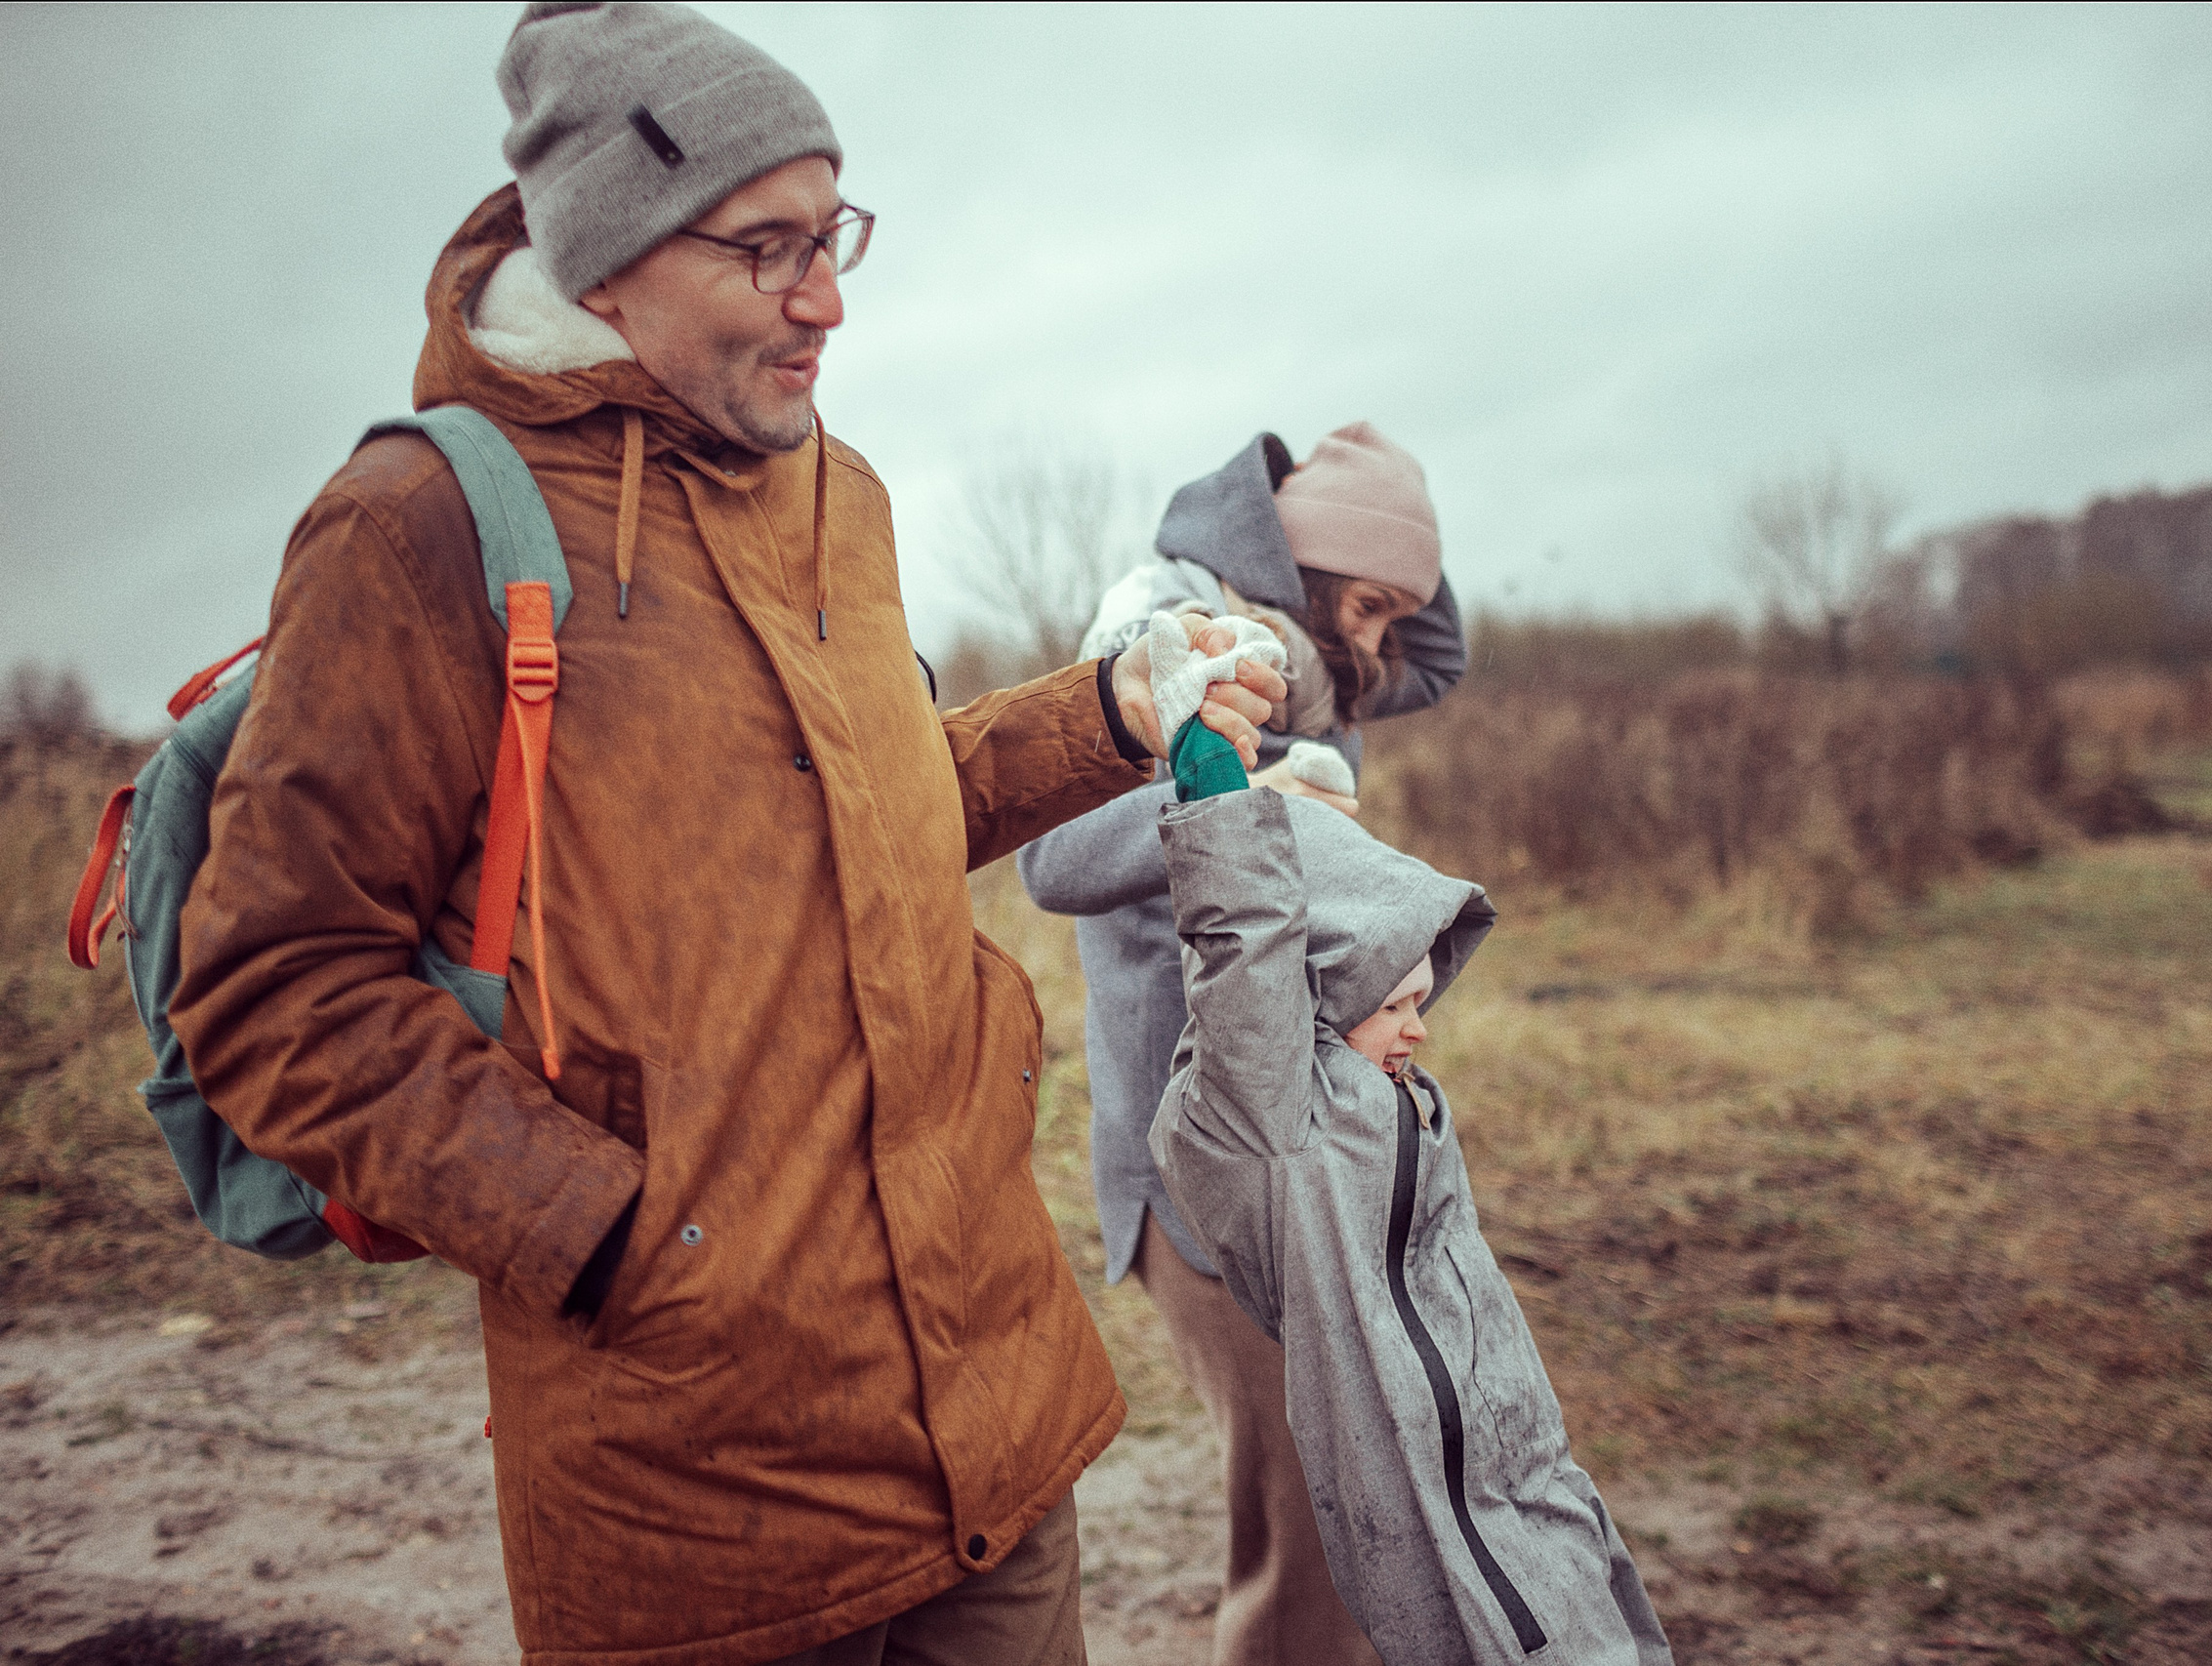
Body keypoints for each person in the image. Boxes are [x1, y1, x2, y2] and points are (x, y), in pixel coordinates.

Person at [169, 6, 1281, 1664]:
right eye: (766, 249)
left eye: (833, 237)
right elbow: (270, 981)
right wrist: (602, 1230)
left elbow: (879, 809)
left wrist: (1108, 712)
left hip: (990, 1421)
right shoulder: (412, 530)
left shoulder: (842, 495)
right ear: (608, 259)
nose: (825, 298)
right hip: (698, 1502)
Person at [1018, 424, 1465, 1665]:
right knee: (1321, 1538)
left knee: (1371, 1516)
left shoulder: (1311, 683)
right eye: (1364, 605)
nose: (1378, 642)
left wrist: (1367, 545)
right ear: (1299, 566)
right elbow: (1051, 857)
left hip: (1311, 1145)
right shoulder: (1159, 633)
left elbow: (1432, 655)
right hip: (1203, 1164)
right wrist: (1243, 802)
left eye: (1390, 615)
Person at [1145, 711, 1677, 1666]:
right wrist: (1222, 803)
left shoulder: (1397, 1105)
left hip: (1517, 1474)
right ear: (1314, 993)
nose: (1418, 1031)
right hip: (1435, 1530)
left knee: (1604, 1621)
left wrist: (1305, 811)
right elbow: (1248, 957)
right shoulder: (1267, 1122)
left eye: (1420, 1004)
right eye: (1392, 1006)